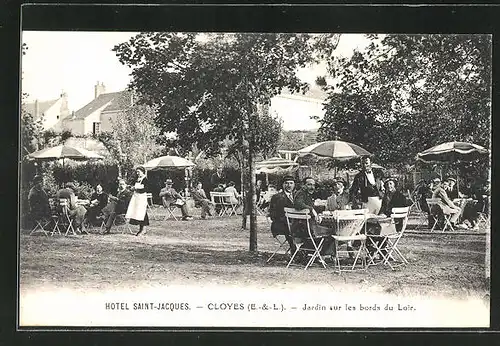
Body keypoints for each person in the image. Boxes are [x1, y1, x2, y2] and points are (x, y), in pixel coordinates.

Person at [293, 177, 335, 256]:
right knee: (333, 232)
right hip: (302, 228)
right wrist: (312, 209)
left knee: (327, 230)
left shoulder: (306, 195)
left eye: (313, 185)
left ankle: (307, 251)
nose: (312, 187)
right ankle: (321, 255)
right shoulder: (301, 193)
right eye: (309, 185)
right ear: (303, 185)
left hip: (304, 226)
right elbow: (298, 204)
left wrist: (318, 210)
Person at [268, 175, 297, 253]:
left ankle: (306, 252)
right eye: (286, 183)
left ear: (294, 185)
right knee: (297, 230)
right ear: (283, 185)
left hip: (296, 224)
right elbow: (273, 215)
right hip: (281, 225)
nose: (289, 185)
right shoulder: (277, 197)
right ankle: (296, 251)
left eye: (291, 183)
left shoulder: (297, 196)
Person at [125, 166, 150, 235]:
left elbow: (145, 189)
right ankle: (141, 229)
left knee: (143, 212)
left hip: (141, 198)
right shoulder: (137, 179)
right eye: (137, 172)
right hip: (136, 197)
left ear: (143, 172)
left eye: (139, 172)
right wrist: (130, 187)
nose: (137, 173)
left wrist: (136, 189)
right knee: (138, 213)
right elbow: (133, 185)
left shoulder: (145, 179)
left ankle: (144, 229)